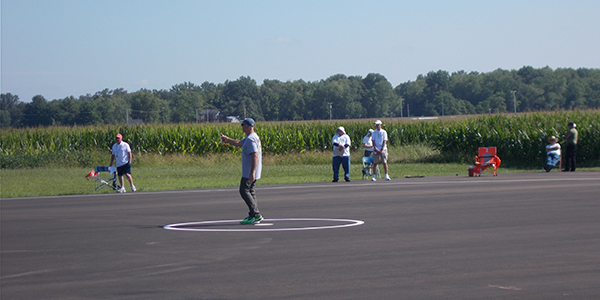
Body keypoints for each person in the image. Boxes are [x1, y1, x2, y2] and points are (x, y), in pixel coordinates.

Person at [220, 118, 264, 224]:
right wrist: (227, 139)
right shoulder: (251, 137)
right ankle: (253, 214)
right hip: (252, 171)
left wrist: (252, 172)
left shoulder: (251, 139)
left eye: (243, 125)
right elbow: (239, 143)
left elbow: (255, 155)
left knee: (244, 190)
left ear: (248, 126)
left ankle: (256, 214)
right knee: (251, 191)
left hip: (249, 171)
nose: (242, 127)